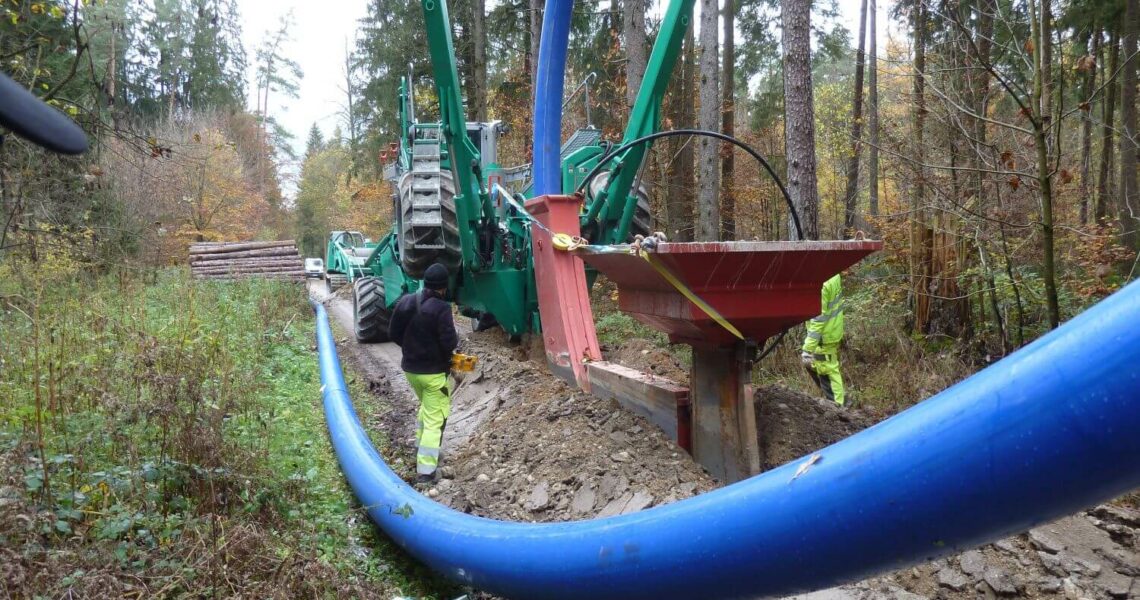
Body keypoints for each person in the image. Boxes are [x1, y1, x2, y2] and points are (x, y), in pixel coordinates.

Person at [388, 262, 459, 484]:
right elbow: (449, 343)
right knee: (435, 419)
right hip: (433, 374)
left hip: (411, 370)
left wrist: (412, 349)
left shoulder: (406, 301)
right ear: (443, 287)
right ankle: (427, 472)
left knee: (426, 410)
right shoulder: (441, 308)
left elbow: (393, 332)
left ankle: (420, 449)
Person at [802, 273, 846, 407]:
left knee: (827, 369)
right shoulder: (833, 275)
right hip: (832, 330)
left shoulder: (822, 285)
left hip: (824, 335)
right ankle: (840, 402)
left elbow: (818, 320)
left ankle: (838, 407)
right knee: (827, 368)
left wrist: (807, 348)